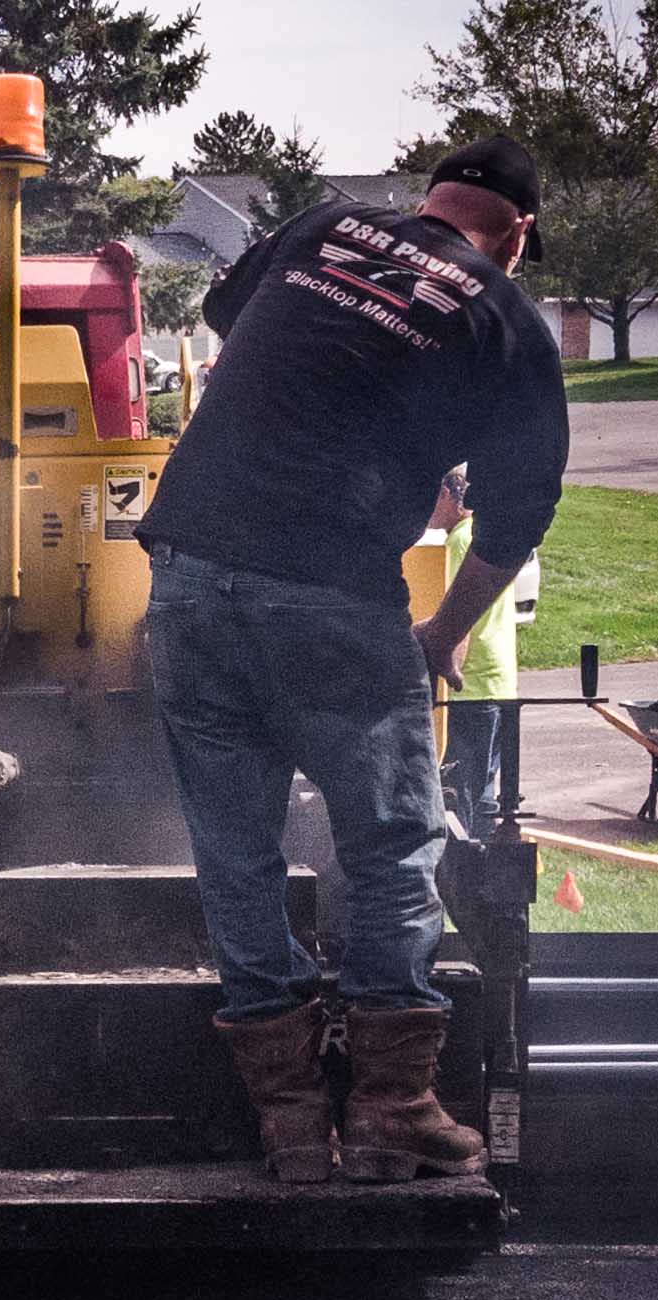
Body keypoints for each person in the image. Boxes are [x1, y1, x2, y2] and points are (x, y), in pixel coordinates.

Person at [133, 135, 570, 1186]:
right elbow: (520, 511)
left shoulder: (324, 226)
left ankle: (288, 1125)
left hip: (188, 575)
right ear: (517, 236)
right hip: (327, 594)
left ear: (430, 200)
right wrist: (447, 632)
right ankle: (390, 1110)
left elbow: (235, 323)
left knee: (234, 848)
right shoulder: (505, 316)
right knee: (390, 845)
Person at [430, 468, 537, 843]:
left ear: (448, 494)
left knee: (462, 795)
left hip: (471, 685)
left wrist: (446, 666)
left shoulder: (461, 541)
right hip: (499, 681)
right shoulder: (483, 540)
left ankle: (469, 877)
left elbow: (460, 618)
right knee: (485, 795)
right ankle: (490, 878)